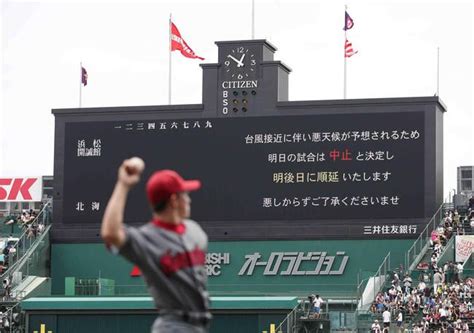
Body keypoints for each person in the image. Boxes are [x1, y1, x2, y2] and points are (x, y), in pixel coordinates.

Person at [101, 157, 211, 333]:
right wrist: (123, 184)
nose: (189, 200)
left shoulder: (195, 232)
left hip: (199, 326)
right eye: (185, 194)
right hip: (172, 326)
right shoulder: (146, 239)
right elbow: (110, 233)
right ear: (174, 200)